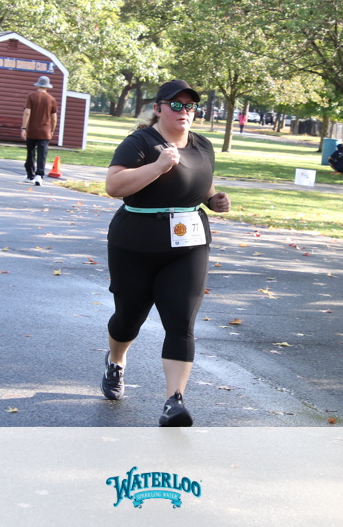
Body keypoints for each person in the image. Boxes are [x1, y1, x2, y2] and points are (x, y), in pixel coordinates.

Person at [101, 79, 232, 427]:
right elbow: (114, 186)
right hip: (135, 244)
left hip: (188, 245)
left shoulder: (203, 146)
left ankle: (174, 401)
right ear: (158, 108)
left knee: (180, 322)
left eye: (189, 106)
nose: (183, 111)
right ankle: (116, 361)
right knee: (129, 317)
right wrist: (158, 166)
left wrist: (214, 200)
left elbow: (203, 184)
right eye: (176, 105)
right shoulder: (140, 142)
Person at [20, 75, 58, 185]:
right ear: (47, 86)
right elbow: (54, 118)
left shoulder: (31, 96)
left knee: (30, 153)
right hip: (45, 131)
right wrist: (52, 130)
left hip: (32, 130)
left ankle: (30, 175)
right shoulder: (51, 99)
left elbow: (27, 113)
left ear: (38, 84)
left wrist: (23, 128)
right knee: (42, 154)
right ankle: (39, 175)